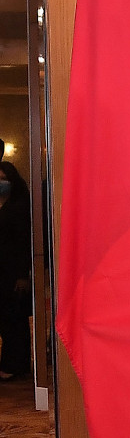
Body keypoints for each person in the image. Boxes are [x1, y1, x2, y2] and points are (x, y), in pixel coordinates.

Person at [0, 160, 32, 380]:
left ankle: (15, 366)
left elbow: (23, 243)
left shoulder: (19, 207)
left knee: (14, 319)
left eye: (4, 179)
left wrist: (22, 274)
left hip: (12, 271)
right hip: (1, 270)